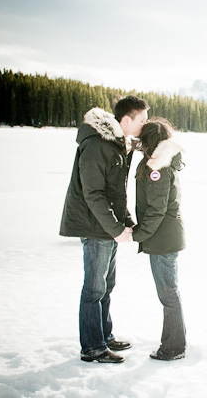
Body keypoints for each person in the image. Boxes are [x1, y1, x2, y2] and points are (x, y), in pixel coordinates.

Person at [60, 96, 149, 363]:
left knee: (106, 285)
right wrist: (115, 228)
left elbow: (115, 192)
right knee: (94, 288)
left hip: (108, 226)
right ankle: (93, 347)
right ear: (126, 120)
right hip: (95, 226)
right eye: (142, 120)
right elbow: (94, 194)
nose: (145, 125)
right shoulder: (98, 145)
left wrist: (127, 221)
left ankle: (104, 335)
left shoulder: (118, 145)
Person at [133, 118, 187, 361]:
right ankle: (174, 342)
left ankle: (174, 347)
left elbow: (157, 209)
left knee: (168, 294)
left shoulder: (158, 168)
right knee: (169, 293)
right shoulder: (158, 163)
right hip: (163, 237)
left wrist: (138, 234)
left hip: (162, 238)